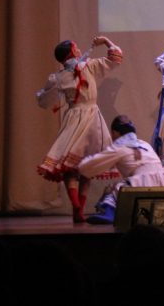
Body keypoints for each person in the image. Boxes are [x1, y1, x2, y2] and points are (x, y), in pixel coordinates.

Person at [36, 36, 123, 223]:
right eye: (75, 48)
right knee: (86, 167)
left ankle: (77, 207)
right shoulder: (87, 66)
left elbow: (43, 100)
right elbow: (116, 57)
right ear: (72, 52)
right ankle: (79, 208)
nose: (78, 49)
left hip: (74, 118)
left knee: (72, 167)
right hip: (90, 117)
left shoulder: (59, 76)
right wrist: (106, 41)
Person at [77, 115, 164, 225]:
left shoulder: (120, 147)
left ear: (115, 132)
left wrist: (79, 166)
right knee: (125, 184)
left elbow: (93, 164)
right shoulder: (144, 144)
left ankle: (109, 214)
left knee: (115, 189)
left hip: (143, 184)